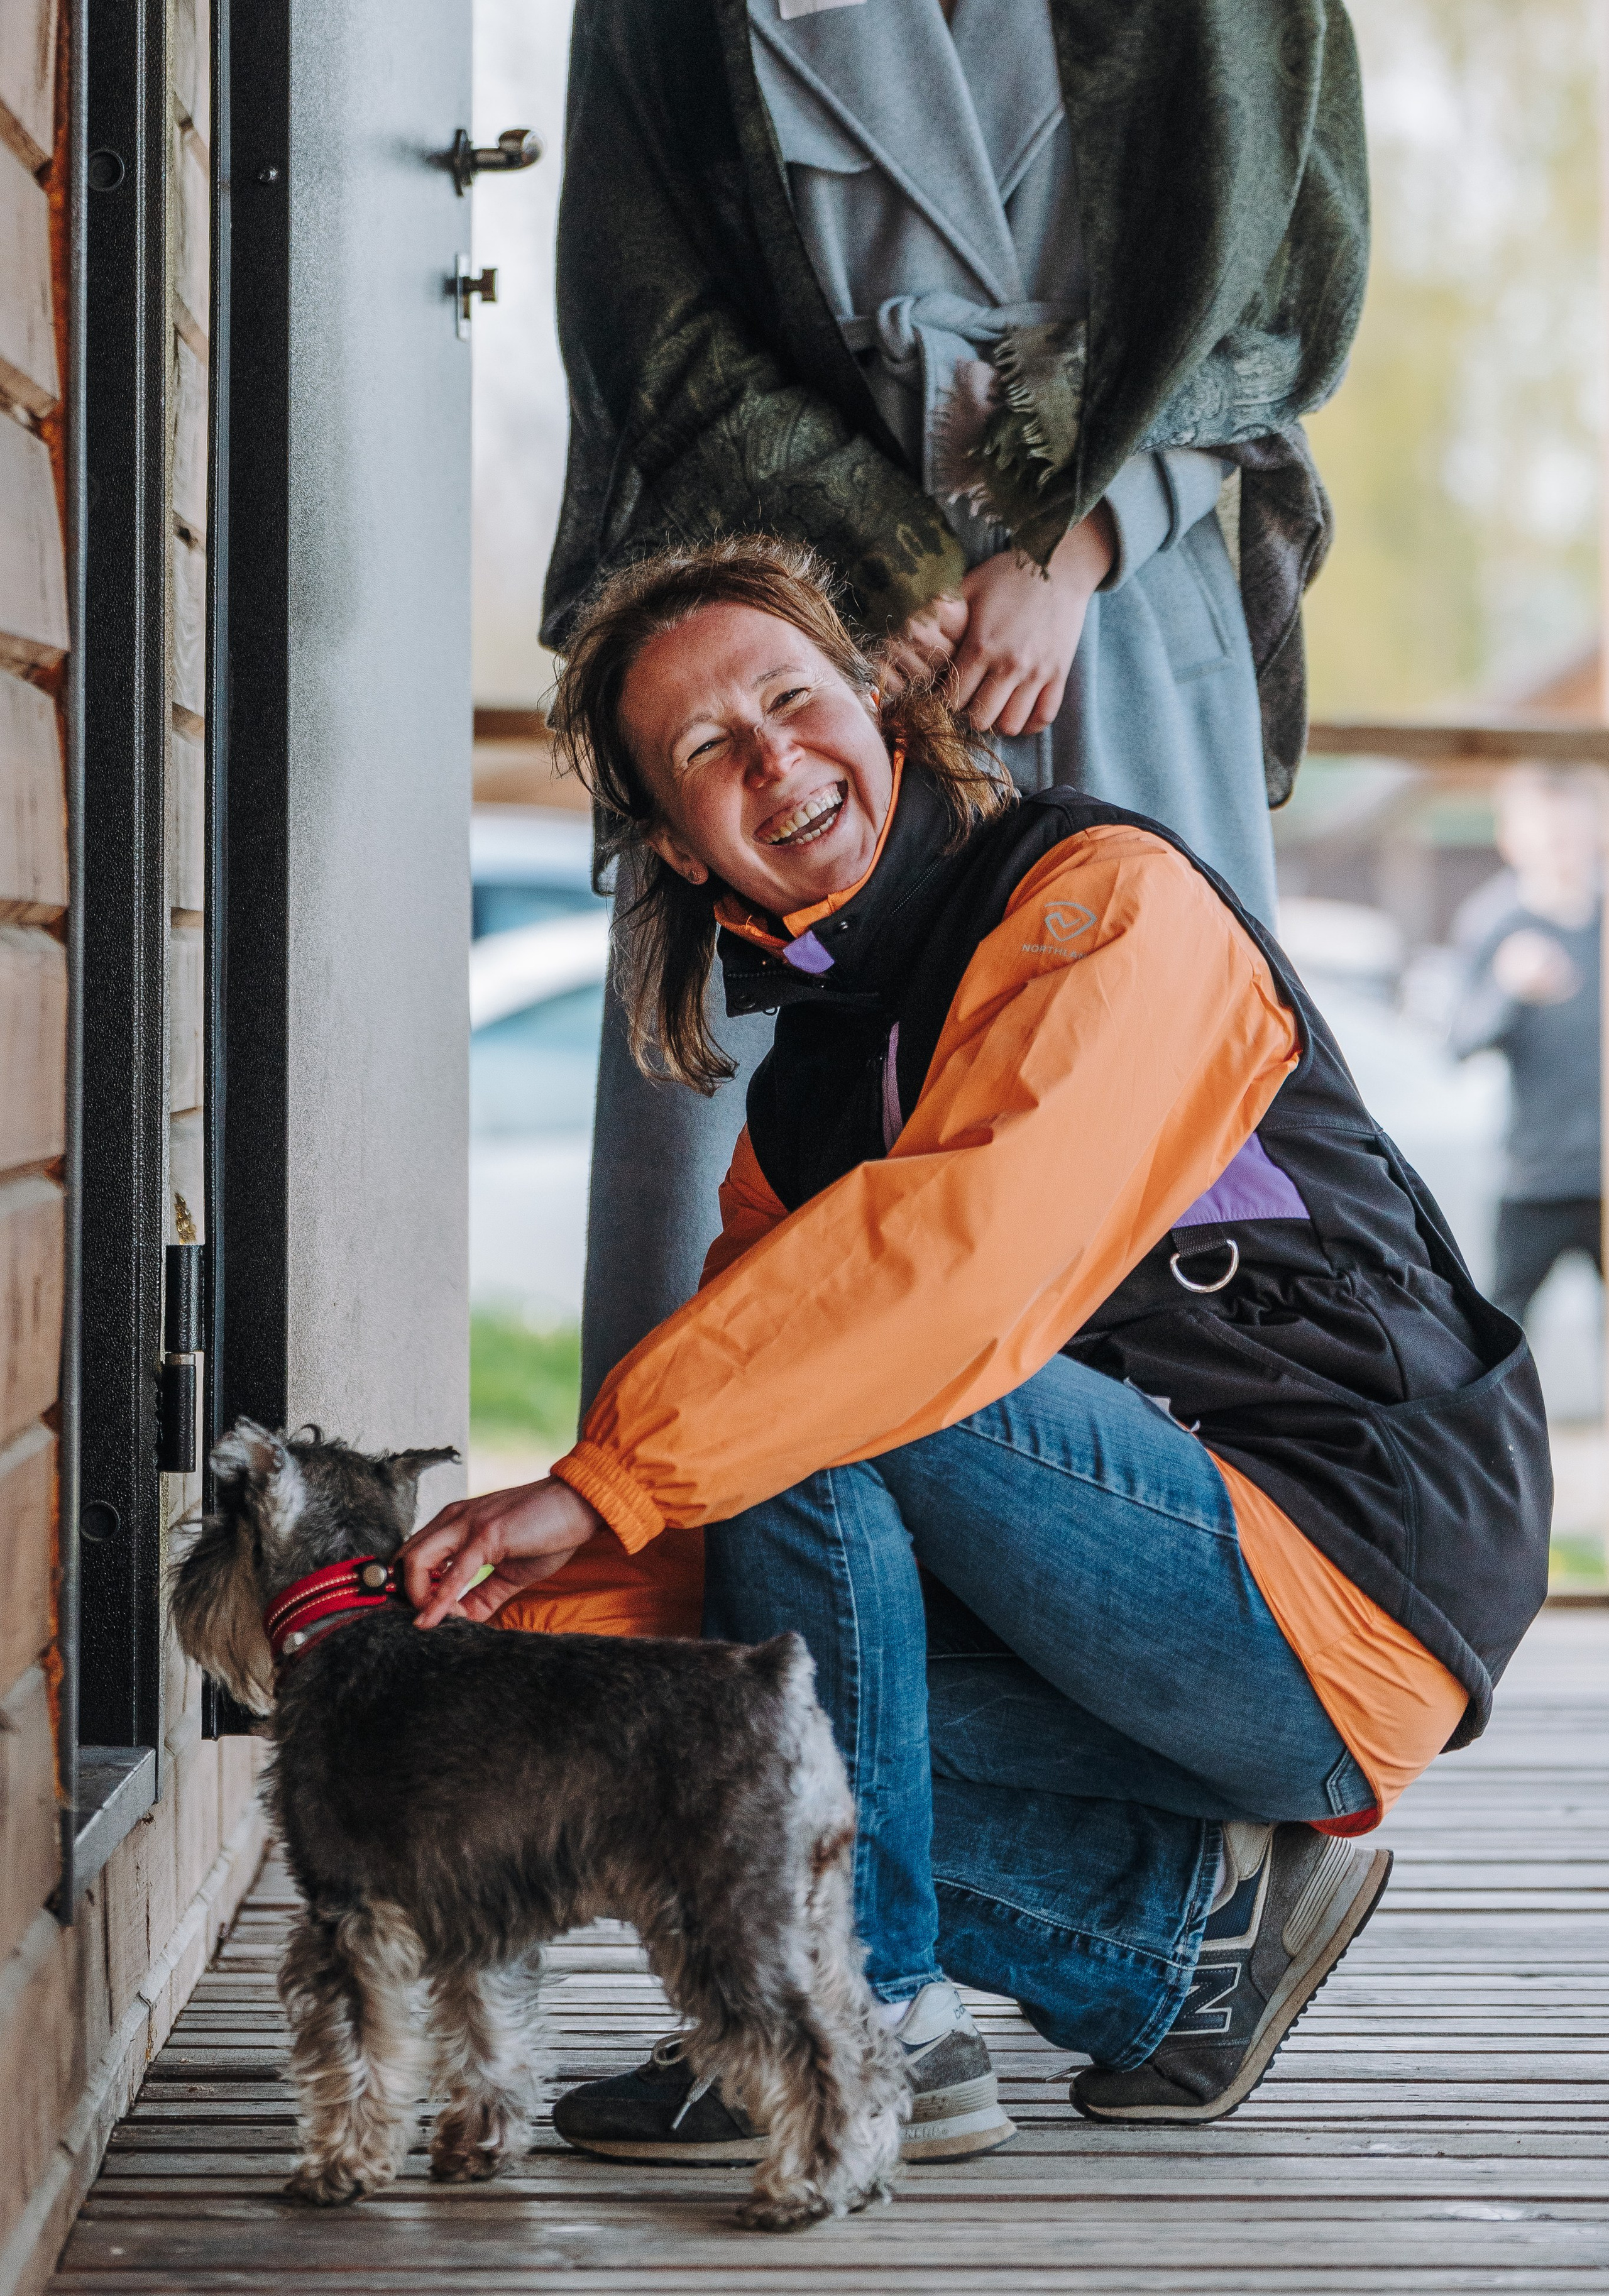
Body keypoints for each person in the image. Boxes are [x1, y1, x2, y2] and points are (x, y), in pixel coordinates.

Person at [404, 541, 1551, 2152]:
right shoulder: (807, 1095)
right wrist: (484, 1642)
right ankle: (1174, 1943)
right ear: (673, 838)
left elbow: (945, 1272)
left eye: (791, 699)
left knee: (813, 1374)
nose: (774, 760)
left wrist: (599, 1480)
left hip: (1340, 1568)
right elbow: (741, 1528)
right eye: (710, 747)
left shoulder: (1100, 898)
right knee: (680, 1702)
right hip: (1123, 1609)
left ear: (876, 708)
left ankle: (851, 2011)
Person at [542, 0, 1370, 1397]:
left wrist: (1074, 537)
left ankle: (1148, 1511)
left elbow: (1289, 282)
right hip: (791, 595)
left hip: (1117, 590)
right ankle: (679, 1507)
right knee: (746, 1158)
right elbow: (642, 305)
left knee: (1151, 1092)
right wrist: (873, 554)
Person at [1451, 765, 1603, 1329]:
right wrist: (1508, 989)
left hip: (1604, 1168)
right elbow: (1459, 1042)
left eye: (1574, 834)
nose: (1564, 850)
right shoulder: (1497, 924)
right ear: (1513, 841)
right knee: (1503, 1329)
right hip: (1536, 1174)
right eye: (1549, 837)